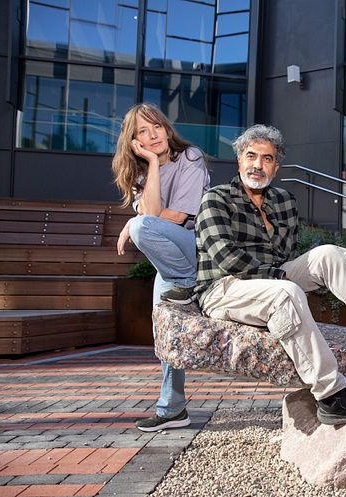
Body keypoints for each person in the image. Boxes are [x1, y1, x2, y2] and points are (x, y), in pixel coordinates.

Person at [194, 124, 346, 426]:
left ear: (276, 167)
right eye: (251, 156)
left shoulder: (284, 201)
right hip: (224, 287)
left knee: (329, 253)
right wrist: (280, 278)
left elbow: (286, 257)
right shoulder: (216, 198)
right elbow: (225, 256)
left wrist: (283, 275)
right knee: (286, 293)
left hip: (270, 279)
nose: (257, 164)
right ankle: (332, 396)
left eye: (267, 159)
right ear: (239, 160)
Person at [112, 103, 210, 432]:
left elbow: (177, 217)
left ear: (167, 129)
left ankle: (185, 283)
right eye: (143, 131)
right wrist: (153, 164)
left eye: (157, 126)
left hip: (198, 252)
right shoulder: (143, 174)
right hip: (172, 266)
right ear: (134, 141)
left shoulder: (191, 157)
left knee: (140, 229)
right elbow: (153, 213)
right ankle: (173, 408)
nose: (153, 135)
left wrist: (135, 222)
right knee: (163, 331)